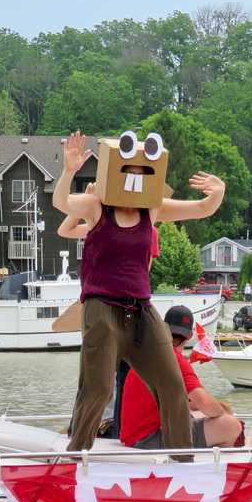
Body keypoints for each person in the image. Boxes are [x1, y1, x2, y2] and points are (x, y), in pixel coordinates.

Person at [54, 130, 225, 454]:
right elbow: (61, 203)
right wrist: (70, 170)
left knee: (172, 384)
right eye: (128, 171)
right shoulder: (97, 206)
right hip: (101, 305)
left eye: (140, 172)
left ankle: (181, 460)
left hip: (141, 309)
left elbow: (202, 208)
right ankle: (76, 455)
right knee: (100, 387)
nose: (134, 178)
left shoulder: (152, 209)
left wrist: (217, 192)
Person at [57, 184, 161, 440]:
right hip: (104, 307)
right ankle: (84, 432)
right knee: (96, 378)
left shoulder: (148, 229)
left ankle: (114, 432)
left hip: (129, 309)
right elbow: (65, 230)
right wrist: (89, 203)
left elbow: (143, 270)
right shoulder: (103, 222)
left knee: (116, 377)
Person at [121, 305, 242, 449]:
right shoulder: (176, 360)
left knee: (197, 415)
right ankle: (209, 466)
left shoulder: (147, 355)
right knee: (231, 425)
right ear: (190, 335)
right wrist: (224, 412)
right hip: (149, 439)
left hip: (133, 437)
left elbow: (177, 402)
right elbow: (206, 404)